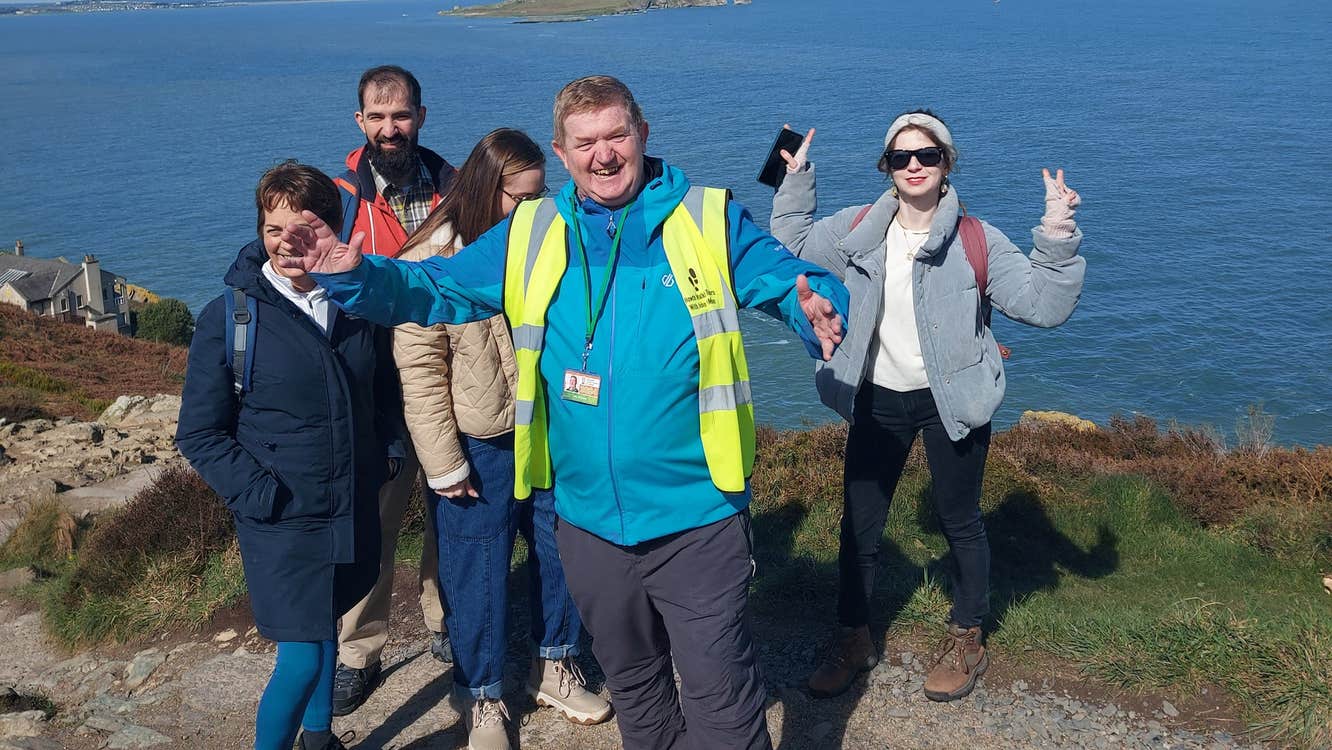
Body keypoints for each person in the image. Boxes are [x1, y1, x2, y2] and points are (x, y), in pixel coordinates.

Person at [277, 75, 849, 750]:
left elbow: (787, 280)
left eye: (616, 136)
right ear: (562, 150)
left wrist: (820, 308)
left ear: (642, 135)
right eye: (585, 143)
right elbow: (432, 290)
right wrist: (354, 274)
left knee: (720, 696)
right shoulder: (533, 230)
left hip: (696, 515)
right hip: (585, 522)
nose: (603, 155)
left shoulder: (706, 218)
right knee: (636, 688)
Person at [769, 110, 1085, 702]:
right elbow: (786, 245)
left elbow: (1043, 304)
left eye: (927, 155)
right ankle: (853, 637)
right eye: (900, 157)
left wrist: (1057, 232)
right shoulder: (857, 228)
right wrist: (796, 177)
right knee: (858, 529)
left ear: (947, 163)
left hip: (951, 402)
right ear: (886, 167)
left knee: (959, 522)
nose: (914, 165)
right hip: (875, 398)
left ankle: (968, 636)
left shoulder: (977, 240)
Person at [393, 128, 612, 750]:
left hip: (546, 427)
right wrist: (443, 464)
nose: (540, 208)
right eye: (525, 197)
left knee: (560, 550)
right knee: (476, 572)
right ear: (490, 191)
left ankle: (555, 664)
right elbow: (422, 376)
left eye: (544, 194)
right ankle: (481, 696)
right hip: (478, 443)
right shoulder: (429, 263)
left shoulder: (544, 244)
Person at [175, 161, 406, 750]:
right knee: (301, 656)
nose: (286, 243)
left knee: (326, 626)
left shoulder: (356, 304)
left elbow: (383, 395)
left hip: (348, 503)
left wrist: (384, 461)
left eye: (303, 228)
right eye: (273, 229)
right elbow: (199, 433)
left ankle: (320, 737)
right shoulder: (230, 318)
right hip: (279, 520)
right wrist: (261, 497)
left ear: (329, 228)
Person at [331, 64, 457, 716]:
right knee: (372, 525)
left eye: (400, 115)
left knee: (451, 510)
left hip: (447, 380)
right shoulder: (338, 198)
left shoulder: (460, 190)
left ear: (421, 116)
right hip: (375, 390)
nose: (390, 129)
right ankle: (359, 650)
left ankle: (444, 620)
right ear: (360, 123)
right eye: (377, 118)